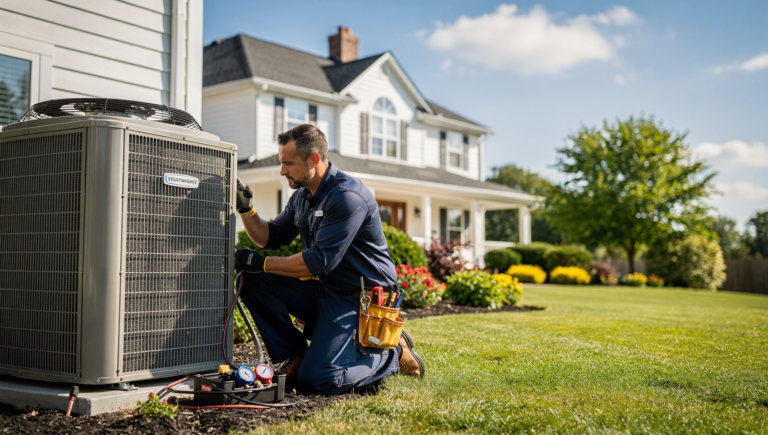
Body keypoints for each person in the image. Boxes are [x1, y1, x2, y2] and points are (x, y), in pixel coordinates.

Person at [234, 124, 424, 395]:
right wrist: (246, 208)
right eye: (281, 162)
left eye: (288, 163)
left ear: (314, 159)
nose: (282, 170)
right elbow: (269, 238)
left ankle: (390, 354)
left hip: (361, 298)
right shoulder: (302, 196)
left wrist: (263, 263)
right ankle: (297, 357)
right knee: (249, 279)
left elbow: (319, 261)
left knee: (319, 380)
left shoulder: (347, 197)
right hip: (326, 289)